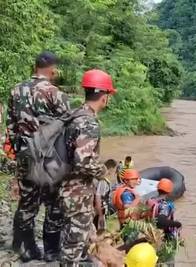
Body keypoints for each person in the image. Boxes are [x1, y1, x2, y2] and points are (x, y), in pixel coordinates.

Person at [7, 51, 70, 262]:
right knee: (53, 203)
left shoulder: (15, 90)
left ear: (35, 67)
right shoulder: (55, 93)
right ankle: (52, 251)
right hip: (50, 159)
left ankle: (26, 248)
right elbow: (67, 127)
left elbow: (11, 126)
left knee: (27, 203)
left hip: (26, 155)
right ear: (52, 69)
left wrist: (19, 153)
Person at [59, 69, 116, 265]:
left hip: (65, 186)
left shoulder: (74, 115)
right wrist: (102, 171)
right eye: (108, 94)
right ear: (104, 96)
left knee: (71, 238)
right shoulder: (89, 122)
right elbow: (82, 160)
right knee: (73, 247)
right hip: (77, 193)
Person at [94, 159, 118, 231]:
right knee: (101, 228)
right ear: (110, 169)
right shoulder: (103, 182)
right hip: (100, 210)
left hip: (103, 209)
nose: (115, 172)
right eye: (115, 170)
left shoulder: (105, 181)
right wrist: (100, 214)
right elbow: (98, 197)